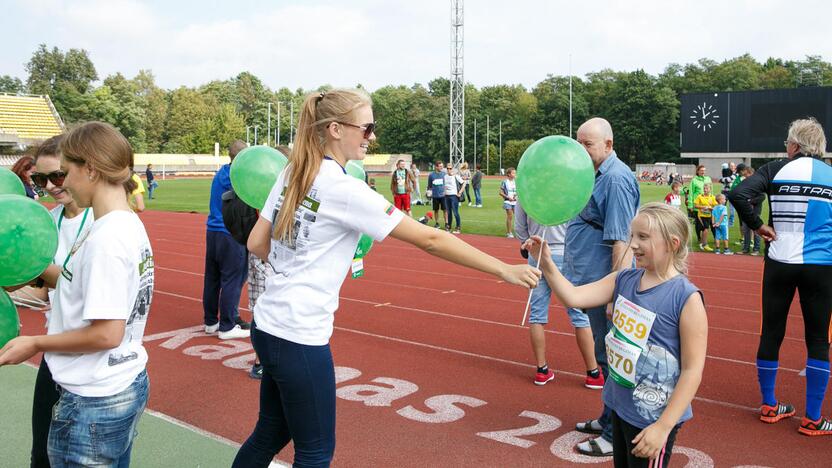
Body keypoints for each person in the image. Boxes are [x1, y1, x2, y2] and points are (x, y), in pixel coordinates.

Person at [234, 89, 540, 467]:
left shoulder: (293, 172)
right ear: (334, 129)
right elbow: (430, 238)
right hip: (299, 332)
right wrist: (504, 269)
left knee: (270, 432)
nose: (371, 137)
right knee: (314, 452)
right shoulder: (344, 189)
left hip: (268, 324)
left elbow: (256, 241)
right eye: (366, 128)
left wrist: (298, 266)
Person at [0, 121, 154, 467]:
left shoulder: (107, 239)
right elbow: (73, 283)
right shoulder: (122, 223)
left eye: (66, 172)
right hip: (114, 384)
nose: (62, 183)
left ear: (91, 169)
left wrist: (35, 343)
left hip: (93, 399)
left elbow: (106, 333)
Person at [525, 202, 707, 467]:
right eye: (632, 235)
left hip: (652, 418)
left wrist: (663, 427)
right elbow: (574, 297)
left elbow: (692, 370)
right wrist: (548, 263)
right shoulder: (624, 279)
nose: (633, 244)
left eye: (643, 237)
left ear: (673, 243)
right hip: (620, 407)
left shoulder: (685, 299)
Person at [729, 118, 832, 436]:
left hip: (778, 262)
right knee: (818, 339)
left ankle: (770, 405)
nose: (785, 149)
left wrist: (758, 226)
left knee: (771, 332)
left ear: (796, 145)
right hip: (821, 266)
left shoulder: (775, 169)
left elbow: (738, 194)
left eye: (788, 143)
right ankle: (813, 418)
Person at [20, 134, 96, 468]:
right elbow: (40, 292)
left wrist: (43, 272)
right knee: (41, 452)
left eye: (58, 176)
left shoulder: (101, 221)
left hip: (94, 360)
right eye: (40, 179)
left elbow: (84, 286)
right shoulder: (46, 224)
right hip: (54, 352)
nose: (50, 185)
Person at [567, 117, 640, 457]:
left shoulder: (614, 178)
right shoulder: (594, 174)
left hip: (606, 284)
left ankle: (614, 434)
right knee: (605, 354)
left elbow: (622, 241)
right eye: (578, 142)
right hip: (593, 281)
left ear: (608, 145)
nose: (580, 150)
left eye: (588, 144)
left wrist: (617, 295)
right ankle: (607, 418)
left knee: (614, 359)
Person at [515, 201, 600, 388]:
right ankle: (593, 372)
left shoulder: (528, 190)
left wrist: (528, 242)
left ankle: (541, 370)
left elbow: (519, 227)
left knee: (537, 314)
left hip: (536, 251)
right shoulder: (568, 188)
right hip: (565, 251)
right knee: (579, 312)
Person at [202, 140, 250, 340]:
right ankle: (227, 325)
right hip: (230, 233)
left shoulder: (221, 172)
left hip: (213, 230)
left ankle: (211, 321)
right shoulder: (240, 177)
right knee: (232, 278)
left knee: (212, 278)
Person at [686, 165, 712, 240]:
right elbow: (691, 193)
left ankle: (705, 237)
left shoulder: (708, 179)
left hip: (707, 205)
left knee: (706, 222)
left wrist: (712, 202)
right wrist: (690, 205)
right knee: (698, 223)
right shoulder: (694, 180)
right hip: (697, 205)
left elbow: (711, 191)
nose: (703, 172)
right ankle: (699, 237)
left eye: (704, 170)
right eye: (701, 170)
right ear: (698, 171)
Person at [693, 183, 717, 252]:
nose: (705, 190)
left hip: (709, 216)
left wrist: (711, 208)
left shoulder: (712, 197)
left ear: (710, 189)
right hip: (701, 216)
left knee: (706, 230)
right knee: (706, 229)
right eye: (704, 188)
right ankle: (705, 244)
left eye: (707, 188)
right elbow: (695, 206)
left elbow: (715, 206)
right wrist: (703, 207)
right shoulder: (700, 196)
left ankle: (702, 243)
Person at [443, 165, 464, 233]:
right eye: (448, 168)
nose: (449, 169)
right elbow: (444, 185)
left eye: (450, 168)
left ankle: (458, 227)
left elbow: (464, 183)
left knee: (455, 212)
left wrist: (460, 192)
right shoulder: (445, 176)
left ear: (452, 169)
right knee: (449, 213)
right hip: (446, 196)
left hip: (454, 196)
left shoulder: (455, 176)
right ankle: (449, 226)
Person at [427, 160, 446, 228]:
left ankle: (446, 224)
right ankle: (437, 223)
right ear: (436, 167)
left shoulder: (444, 174)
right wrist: (428, 193)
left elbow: (446, 184)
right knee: (436, 210)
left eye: (442, 166)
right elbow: (429, 186)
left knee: (445, 210)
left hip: (443, 196)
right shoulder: (431, 175)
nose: (442, 167)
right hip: (435, 196)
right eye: (440, 166)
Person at [500, 168, 518, 238]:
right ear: (509, 174)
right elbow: (500, 192)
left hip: (516, 202)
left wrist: (516, 196)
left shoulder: (516, 182)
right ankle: (509, 233)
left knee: (518, 218)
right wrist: (508, 197)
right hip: (508, 202)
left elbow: (519, 191)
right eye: (513, 173)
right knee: (510, 217)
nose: (515, 174)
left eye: (515, 173)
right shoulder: (504, 182)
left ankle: (518, 232)